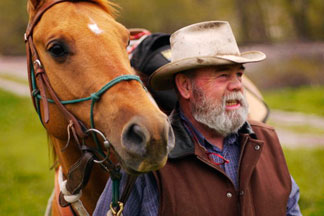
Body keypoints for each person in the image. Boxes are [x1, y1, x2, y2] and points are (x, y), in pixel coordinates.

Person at [94, 21, 301, 216]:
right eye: (223, 75)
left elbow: (290, 208)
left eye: (238, 74)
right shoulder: (149, 158)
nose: (238, 85)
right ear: (185, 86)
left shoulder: (267, 141)